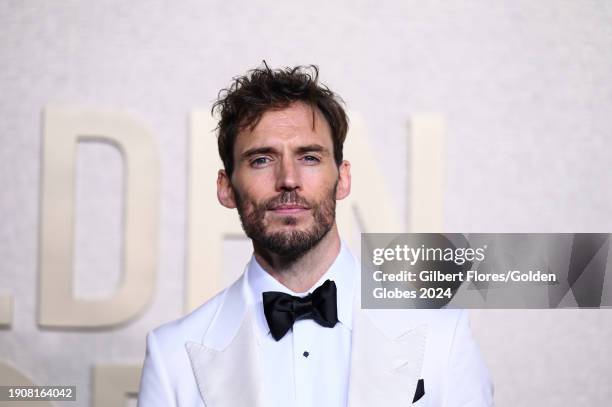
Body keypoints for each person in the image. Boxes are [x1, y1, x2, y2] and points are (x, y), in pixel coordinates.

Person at [137, 63, 494, 407]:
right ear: (226, 187)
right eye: (261, 159)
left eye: (309, 157)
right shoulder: (173, 356)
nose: (288, 179)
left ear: (344, 178)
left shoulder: (442, 334)